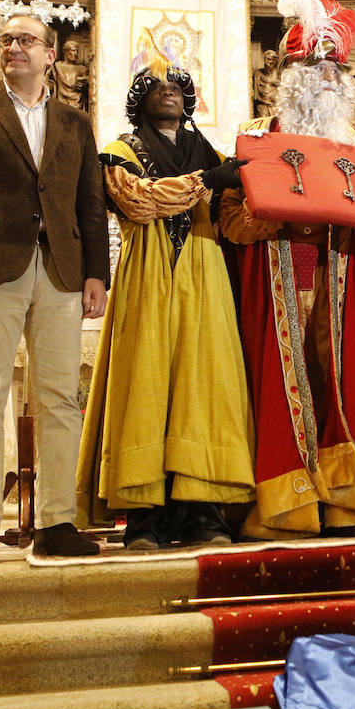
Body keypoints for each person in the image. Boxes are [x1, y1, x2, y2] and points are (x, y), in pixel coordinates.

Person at [0, 9, 109, 566]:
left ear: (50, 54)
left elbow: (90, 204)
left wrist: (96, 274)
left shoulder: (75, 123)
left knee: (58, 398)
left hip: (59, 269)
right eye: (7, 40)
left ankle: (57, 520)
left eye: (26, 40)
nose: (14, 48)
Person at [219, 0, 355, 538]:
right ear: (289, 76)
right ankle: (286, 506)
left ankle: (351, 503)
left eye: (331, 70)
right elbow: (230, 219)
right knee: (281, 387)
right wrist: (272, 214)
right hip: (277, 279)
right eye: (310, 68)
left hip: (344, 284)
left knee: (349, 386)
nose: (322, 79)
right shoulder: (256, 139)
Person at [75, 44, 255, 549]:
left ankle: (203, 512)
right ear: (140, 99)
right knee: (146, 383)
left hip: (204, 272)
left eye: (176, 83)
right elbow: (139, 200)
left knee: (205, 384)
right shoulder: (121, 149)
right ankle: (144, 517)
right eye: (157, 84)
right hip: (148, 273)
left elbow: (236, 219)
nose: (168, 89)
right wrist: (206, 181)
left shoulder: (214, 152)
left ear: (189, 97)